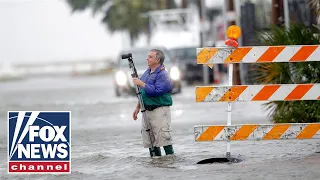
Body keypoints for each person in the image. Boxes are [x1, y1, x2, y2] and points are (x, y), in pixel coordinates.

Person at [132, 49, 175, 157]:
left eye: (150, 57)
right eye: (148, 56)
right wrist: (137, 107)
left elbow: (156, 91)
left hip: (159, 110)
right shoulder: (147, 72)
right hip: (147, 110)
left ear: (158, 60)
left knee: (164, 139)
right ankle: (155, 165)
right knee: (151, 141)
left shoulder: (163, 74)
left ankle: (170, 162)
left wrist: (141, 83)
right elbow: (142, 92)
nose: (147, 58)